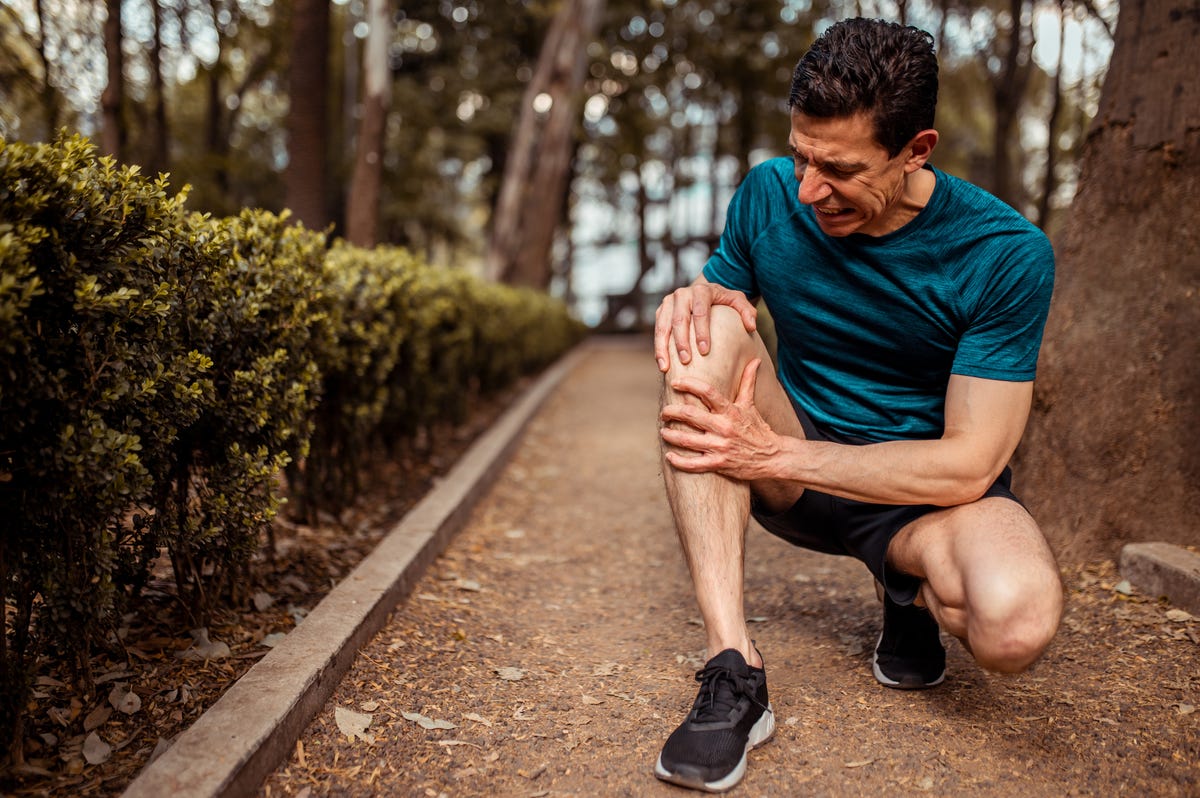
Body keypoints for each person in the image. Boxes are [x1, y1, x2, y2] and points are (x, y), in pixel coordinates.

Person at [651, 17, 1063, 793]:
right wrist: (693, 298)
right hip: (794, 469)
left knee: (1016, 622)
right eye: (801, 156)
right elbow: (720, 300)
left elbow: (973, 461)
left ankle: (902, 592)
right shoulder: (772, 194)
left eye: (837, 169)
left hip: (920, 498)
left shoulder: (1004, 253)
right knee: (701, 335)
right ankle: (732, 667)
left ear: (917, 151)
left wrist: (771, 453)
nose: (808, 190)